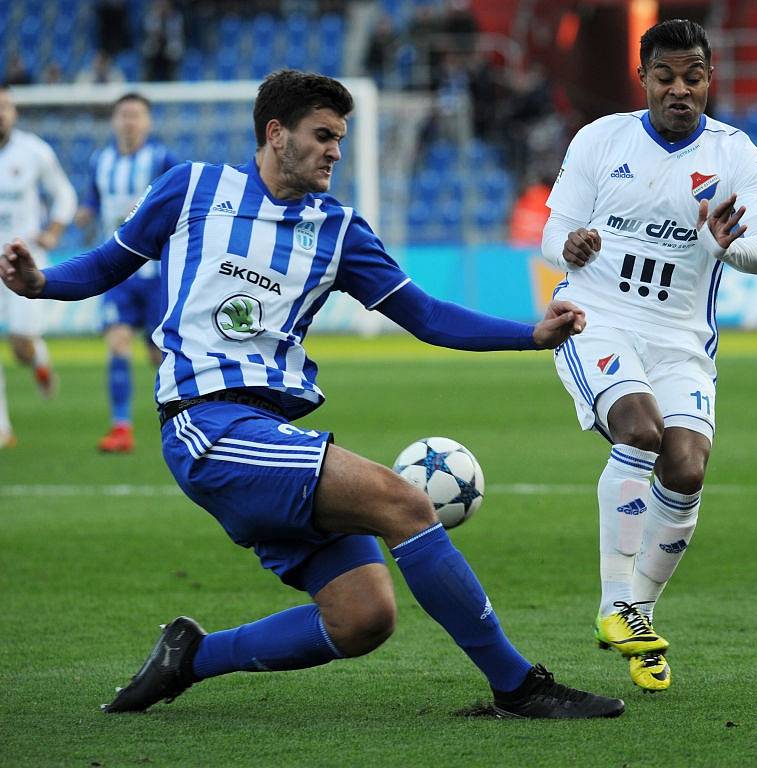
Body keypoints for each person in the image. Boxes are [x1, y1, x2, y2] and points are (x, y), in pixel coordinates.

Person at [1, 70, 624, 720]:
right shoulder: (192, 188)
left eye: (340, 138)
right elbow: (108, 262)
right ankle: (519, 687)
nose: (335, 150)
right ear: (276, 134)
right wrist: (40, 281)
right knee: (404, 502)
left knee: (363, 617)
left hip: (270, 432)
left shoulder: (340, 230)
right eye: (322, 136)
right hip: (206, 424)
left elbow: (427, 316)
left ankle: (191, 656)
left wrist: (531, 335)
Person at [540, 19, 757, 692]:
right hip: (598, 320)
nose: (680, 90)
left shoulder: (735, 155)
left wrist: (725, 242)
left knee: (687, 466)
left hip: (680, 340)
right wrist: (571, 248)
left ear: (710, 79)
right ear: (642, 78)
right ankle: (617, 604)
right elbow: (552, 231)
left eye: (694, 77)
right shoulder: (600, 140)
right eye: (666, 77)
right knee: (642, 431)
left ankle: (637, 612)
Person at [75, 93, 179, 453]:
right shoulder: (100, 161)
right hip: (116, 273)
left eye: (136, 115)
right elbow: (93, 198)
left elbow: (179, 202)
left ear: (148, 122)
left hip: (157, 275)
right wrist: (85, 213)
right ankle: (121, 428)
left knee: (158, 354)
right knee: (117, 343)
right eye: (123, 115)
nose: (129, 121)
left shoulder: (162, 158)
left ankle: (187, 414)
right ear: (114, 121)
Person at [0, 84, 77, 447]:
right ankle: (3, 429)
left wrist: (55, 230)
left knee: (20, 345)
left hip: (23, 259)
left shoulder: (33, 152)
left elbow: (64, 193)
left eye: (4, 106)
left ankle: (39, 359)